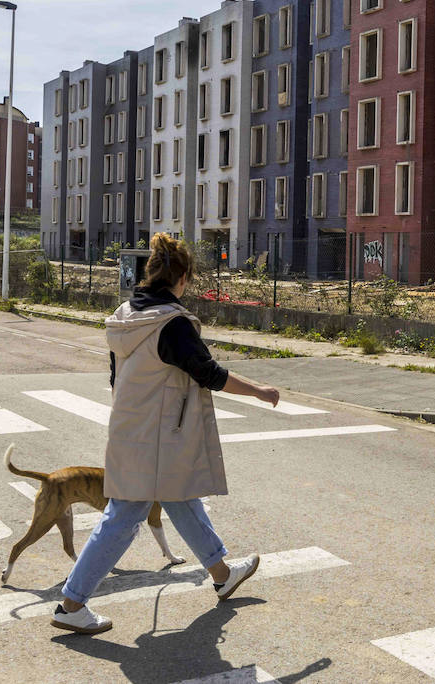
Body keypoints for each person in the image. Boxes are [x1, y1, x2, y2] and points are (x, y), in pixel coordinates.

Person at [52, 233, 281, 634]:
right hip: (157, 436)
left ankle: (222, 573)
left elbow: (115, 378)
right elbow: (209, 374)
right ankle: (71, 604)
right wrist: (260, 391)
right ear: (181, 278)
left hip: (131, 428)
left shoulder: (126, 315)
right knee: (123, 516)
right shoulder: (171, 324)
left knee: (179, 496)